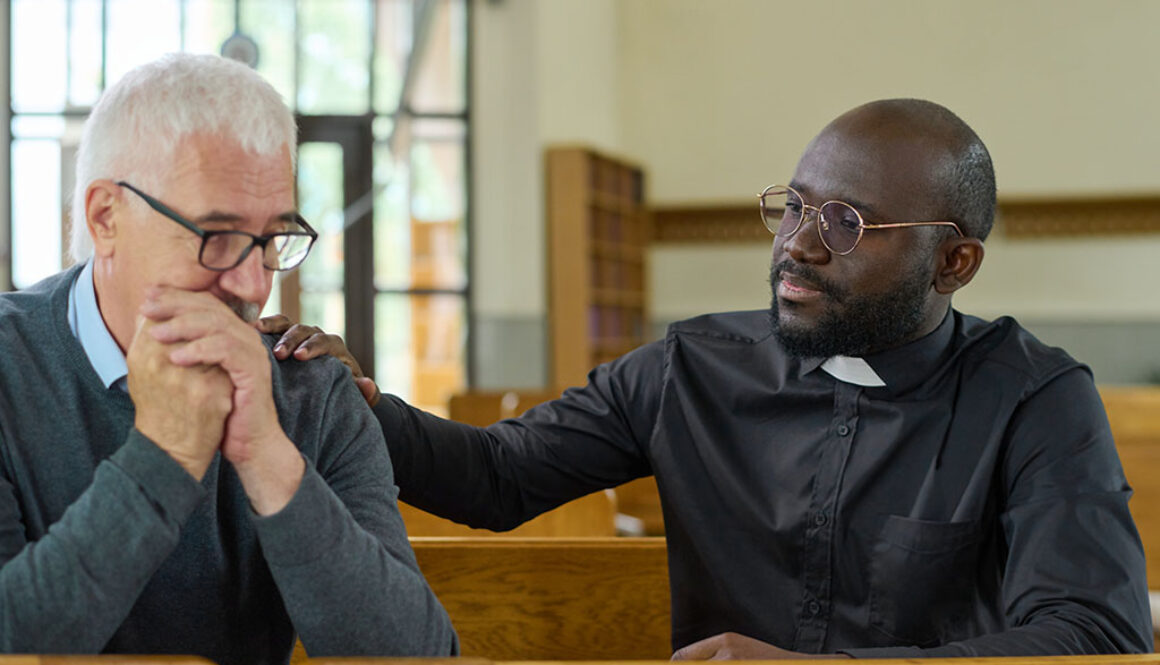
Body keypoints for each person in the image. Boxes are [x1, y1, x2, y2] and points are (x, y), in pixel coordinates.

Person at [265, 99, 1152, 658]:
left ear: (952, 262)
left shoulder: (1035, 398)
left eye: (846, 223)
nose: (797, 244)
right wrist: (359, 400)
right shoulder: (690, 366)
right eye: (795, 206)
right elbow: (496, 476)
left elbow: (1096, 633)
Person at [0, 53, 456, 664]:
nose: (251, 285)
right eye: (217, 236)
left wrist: (265, 454)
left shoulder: (309, 392)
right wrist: (163, 457)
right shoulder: (11, 369)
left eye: (271, 241)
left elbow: (418, 656)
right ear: (106, 217)